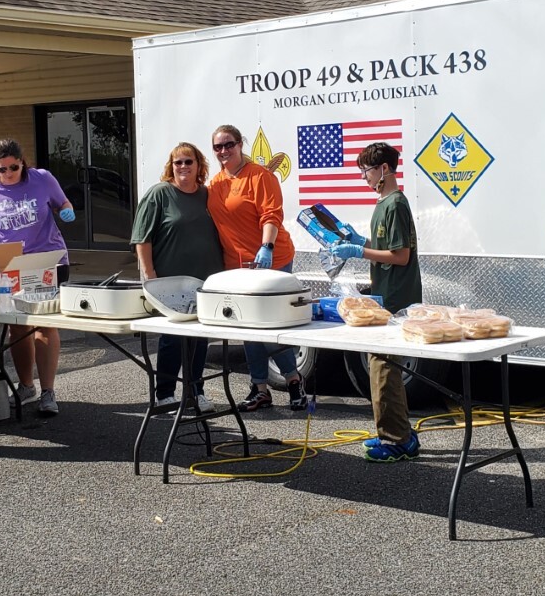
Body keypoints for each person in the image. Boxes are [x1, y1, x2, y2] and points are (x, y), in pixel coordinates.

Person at [323, 141, 422, 462]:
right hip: (386, 296)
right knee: (386, 368)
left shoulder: (394, 205)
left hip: (396, 299)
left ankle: (396, 440)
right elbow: (386, 247)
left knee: (382, 367)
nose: (364, 177)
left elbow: (401, 256)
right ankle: (402, 431)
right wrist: (359, 240)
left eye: (366, 171)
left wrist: (359, 252)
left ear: (384, 169)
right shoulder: (384, 203)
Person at [207, 124, 308, 412]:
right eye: (218, 147)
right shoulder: (215, 184)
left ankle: (292, 380)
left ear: (241, 144)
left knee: (272, 328)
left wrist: (267, 247)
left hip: (272, 261)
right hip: (238, 267)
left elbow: (271, 215)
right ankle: (260, 388)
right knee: (247, 327)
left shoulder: (260, 177)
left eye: (229, 144)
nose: (224, 151)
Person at [0, 139, 74, 417]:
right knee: (17, 327)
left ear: (22, 161)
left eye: (13, 167)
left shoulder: (41, 179)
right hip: (11, 264)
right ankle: (26, 386)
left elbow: (62, 201)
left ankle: (48, 391)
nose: (7, 174)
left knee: (44, 325)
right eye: (1, 169)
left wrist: (66, 209)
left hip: (47, 261)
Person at [131, 142, 224, 413]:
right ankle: (166, 395)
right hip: (169, 281)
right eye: (177, 162)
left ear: (199, 165)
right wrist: (150, 275)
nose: (183, 167)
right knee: (173, 339)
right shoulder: (159, 194)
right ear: (171, 167)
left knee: (200, 338)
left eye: (188, 162)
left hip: (206, 281)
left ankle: (196, 391)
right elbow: (142, 238)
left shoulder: (207, 195)